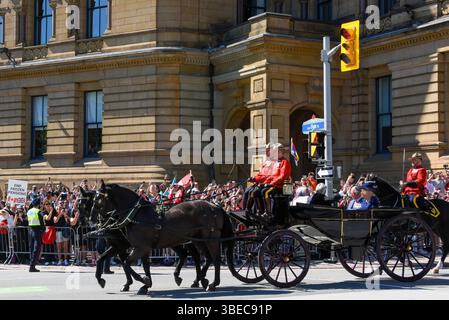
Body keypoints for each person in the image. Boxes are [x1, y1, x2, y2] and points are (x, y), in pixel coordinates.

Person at [243, 143, 274, 215]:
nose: (266, 152)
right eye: (266, 150)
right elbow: (260, 174)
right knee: (248, 190)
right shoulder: (265, 162)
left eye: (268, 150)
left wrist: (258, 179)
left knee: (255, 191)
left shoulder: (274, 162)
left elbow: (269, 175)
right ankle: (247, 209)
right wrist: (253, 178)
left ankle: (261, 211)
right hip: (262, 182)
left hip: (269, 183)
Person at [262, 143, 292, 216]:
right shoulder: (275, 162)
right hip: (278, 184)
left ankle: (270, 213)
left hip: (285, 185)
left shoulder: (284, 162)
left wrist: (271, 183)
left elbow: (282, 176)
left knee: (283, 203)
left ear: (281, 152)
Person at [26, 198, 45, 272]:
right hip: (37, 230)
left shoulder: (29, 211)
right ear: (38, 204)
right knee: (37, 249)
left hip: (30, 230)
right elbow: (41, 221)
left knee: (32, 248)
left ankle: (32, 264)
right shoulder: (38, 211)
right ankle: (32, 266)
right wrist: (43, 229)